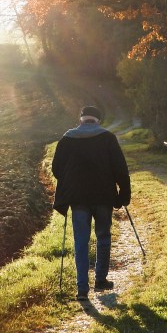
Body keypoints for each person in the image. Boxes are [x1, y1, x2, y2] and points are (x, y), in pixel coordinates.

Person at [51, 105, 132, 301]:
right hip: (103, 197)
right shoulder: (108, 138)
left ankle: (82, 289)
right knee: (103, 236)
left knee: (81, 241)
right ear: (98, 120)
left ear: (81, 119)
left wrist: (70, 182)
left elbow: (56, 169)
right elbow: (121, 169)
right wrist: (124, 194)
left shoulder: (67, 138)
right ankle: (100, 280)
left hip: (78, 199)